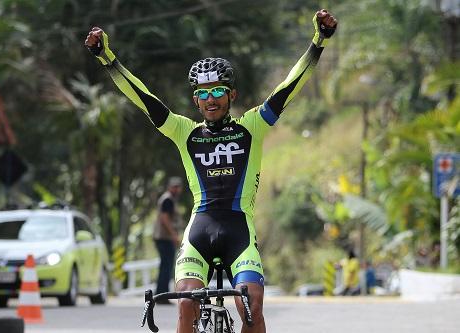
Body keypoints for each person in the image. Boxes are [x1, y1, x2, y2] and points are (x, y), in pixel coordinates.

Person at [85, 9, 337, 333]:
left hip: (239, 231)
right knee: (186, 305)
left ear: (231, 95)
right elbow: (143, 98)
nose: (210, 99)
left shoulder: (252, 126)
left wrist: (318, 42)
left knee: (252, 307)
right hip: (199, 230)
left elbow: (289, 87)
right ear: (195, 100)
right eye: (202, 94)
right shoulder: (184, 132)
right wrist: (108, 58)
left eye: (217, 91)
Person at [153, 177, 183, 303]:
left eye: (178, 187)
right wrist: (174, 235)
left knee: (165, 266)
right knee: (166, 267)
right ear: (169, 187)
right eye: (174, 187)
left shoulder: (169, 199)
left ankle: (161, 294)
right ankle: (162, 296)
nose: (176, 189)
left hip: (163, 237)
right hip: (164, 238)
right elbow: (164, 218)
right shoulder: (167, 200)